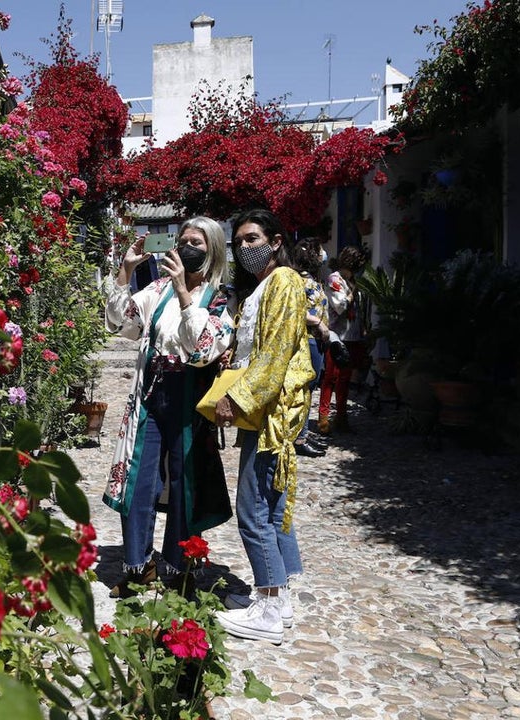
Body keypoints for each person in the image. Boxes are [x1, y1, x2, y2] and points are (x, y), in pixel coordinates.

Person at [103, 217, 235, 598]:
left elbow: (203, 349)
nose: (187, 247)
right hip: (152, 395)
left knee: (184, 484)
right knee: (139, 482)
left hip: (190, 401)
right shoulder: (156, 289)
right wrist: (126, 271)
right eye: (183, 240)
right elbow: (122, 324)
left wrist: (184, 291)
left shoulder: (220, 299)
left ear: (211, 251)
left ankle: (179, 569)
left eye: (197, 242)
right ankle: (137, 566)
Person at [213, 208, 315, 644]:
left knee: (252, 510)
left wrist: (234, 398)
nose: (244, 248)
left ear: (275, 241)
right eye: (239, 242)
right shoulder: (261, 288)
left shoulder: (285, 282)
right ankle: (282, 598)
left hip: (270, 411)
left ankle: (269, 605)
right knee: (273, 509)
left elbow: (275, 354)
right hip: (267, 407)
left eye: (252, 239)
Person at [317, 245, 369, 434]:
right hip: (337, 336)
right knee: (331, 377)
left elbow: (360, 308)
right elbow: (339, 306)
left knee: (345, 379)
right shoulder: (334, 279)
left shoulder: (352, 280)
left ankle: (341, 416)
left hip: (353, 335)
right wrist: (351, 293)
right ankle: (323, 418)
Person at [291, 238, 331, 458]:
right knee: (305, 389)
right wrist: (318, 323)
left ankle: (302, 432)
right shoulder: (298, 281)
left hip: (316, 341)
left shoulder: (311, 280)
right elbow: (296, 310)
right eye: (320, 251)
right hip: (307, 340)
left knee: (309, 389)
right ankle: (299, 437)